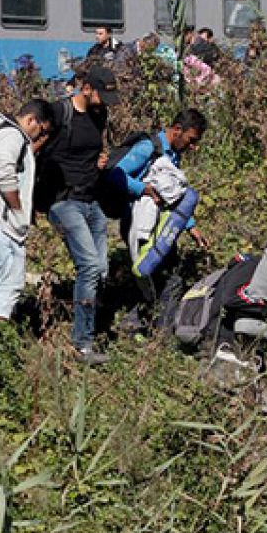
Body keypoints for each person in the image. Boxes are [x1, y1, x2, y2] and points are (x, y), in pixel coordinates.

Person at [39, 66, 119, 364]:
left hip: (92, 201)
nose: (106, 102)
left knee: (101, 270)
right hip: (64, 202)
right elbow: (35, 147)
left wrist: (100, 161)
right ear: (86, 88)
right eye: (103, 94)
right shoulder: (60, 113)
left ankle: (85, 328)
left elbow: (93, 150)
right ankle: (81, 343)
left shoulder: (100, 116)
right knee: (88, 267)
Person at [108, 109, 209, 334]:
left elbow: (170, 197)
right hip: (138, 222)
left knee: (159, 275)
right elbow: (116, 174)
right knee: (160, 275)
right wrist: (143, 189)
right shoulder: (148, 149)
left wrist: (191, 226)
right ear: (177, 130)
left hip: (159, 224)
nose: (194, 147)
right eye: (192, 140)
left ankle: (139, 326)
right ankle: (158, 333)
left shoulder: (172, 155)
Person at [0, 99, 53, 320]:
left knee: (3, 283)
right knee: (11, 284)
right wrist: (17, 211)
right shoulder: (12, 135)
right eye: (41, 131)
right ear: (31, 120)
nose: (39, 137)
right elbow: (6, 173)